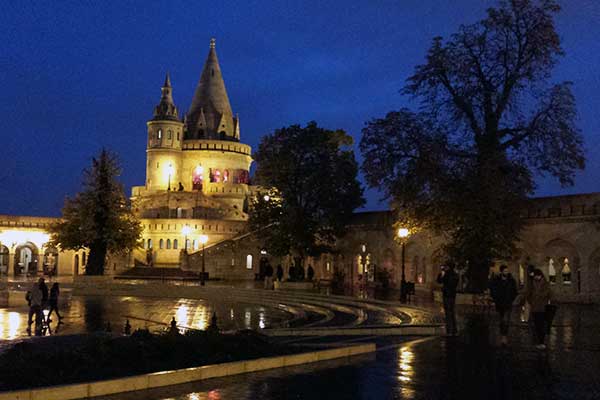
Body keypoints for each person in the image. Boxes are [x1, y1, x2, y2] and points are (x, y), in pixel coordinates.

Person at [490, 265, 518, 345]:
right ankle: (503, 334)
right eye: (505, 271)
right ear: (501, 271)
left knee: (506, 320)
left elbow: (514, 291)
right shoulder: (496, 281)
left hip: (508, 304)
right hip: (500, 303)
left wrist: (511, 299)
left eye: (507, 271)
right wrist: (496, 298)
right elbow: (493, 290)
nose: (506, 272)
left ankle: (504, 336)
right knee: (502, 320)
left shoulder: (511, 281)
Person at [526, 268, 552, 349]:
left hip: (543, 307)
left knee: (542, 325)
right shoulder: (531, 283)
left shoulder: (545, 284)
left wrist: (540, 296)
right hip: (534, 307)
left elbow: (549, 293)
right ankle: (537, 341)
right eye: (535, 276)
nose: (536, 277)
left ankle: (541, 341)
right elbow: (528, 294)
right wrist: (531, 301)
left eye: (538, 276)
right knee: (536, 325)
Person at [437, 263, 459, 336]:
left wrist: (442, 274)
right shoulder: (455, 274)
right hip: (452, 295)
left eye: (446, 266)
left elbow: (439, 281)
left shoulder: (447, 274)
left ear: (449, 267)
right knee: (452, 312)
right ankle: (454, 330)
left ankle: (449, 330)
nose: (445, 268)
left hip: (447, 294)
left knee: (448, 313)